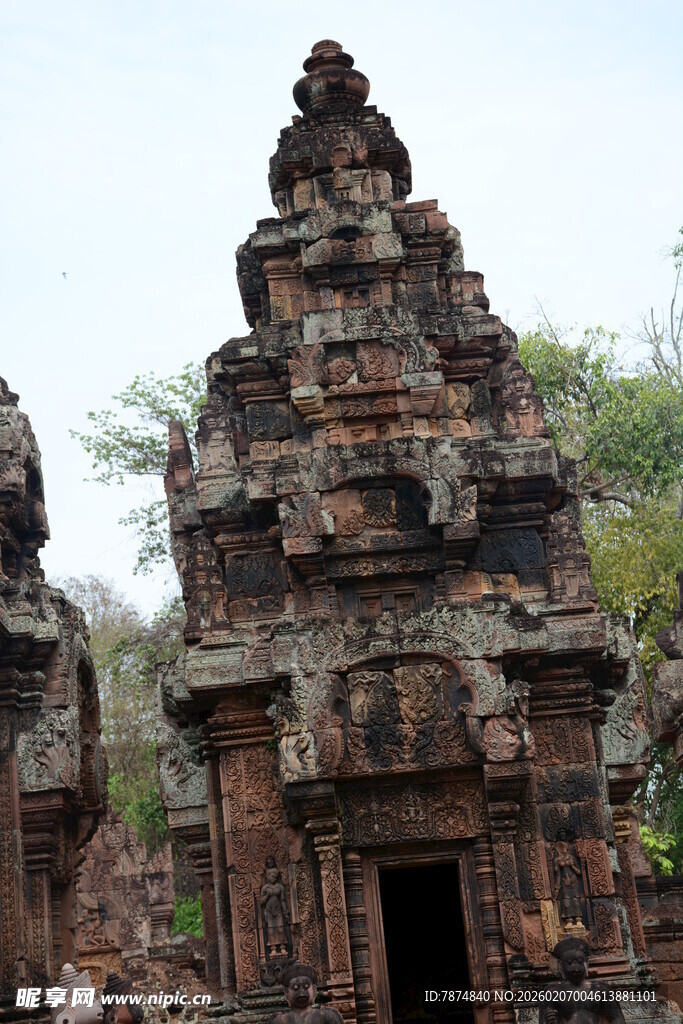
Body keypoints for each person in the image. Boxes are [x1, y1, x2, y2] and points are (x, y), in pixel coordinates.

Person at [539, 937, 625, 1024]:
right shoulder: (552, 993)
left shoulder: (601, 989)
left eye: (580, 962)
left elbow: (617, 1018)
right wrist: (550, 1020)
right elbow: (544, 1021)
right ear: (560, 966)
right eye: (569, 962)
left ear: (586, 963)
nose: (575, 966)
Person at [271, 962, 343, 1023]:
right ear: (286, 993)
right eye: (295, 987)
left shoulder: (328, 1016)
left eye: (306, 986)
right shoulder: (279, 1020)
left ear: (314, 990)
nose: (301, 992)